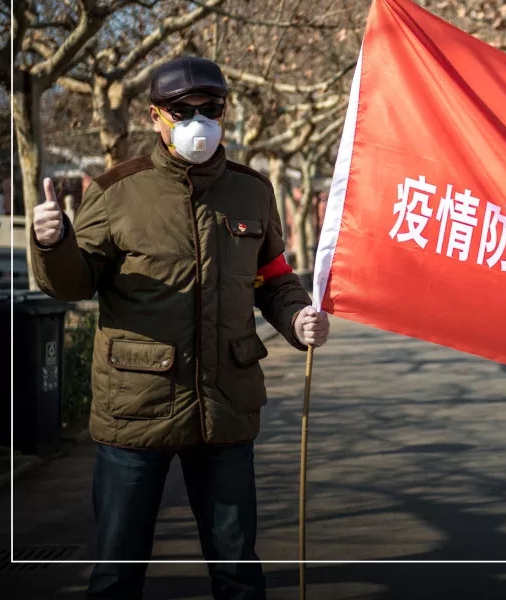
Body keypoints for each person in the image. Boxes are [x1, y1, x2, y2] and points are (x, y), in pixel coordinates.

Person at [30, 56, 331, 600]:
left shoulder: (252, 192)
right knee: (118, 572)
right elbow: (75, 282)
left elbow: (273, 279)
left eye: (210, 109)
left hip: (225, 406)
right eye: (182, 110)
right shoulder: (117, 192)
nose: (199, 122)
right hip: (135, 410)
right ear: (155, 116)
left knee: (237, 570)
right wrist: (53, 243)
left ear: (224, 112)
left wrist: (297, 317)